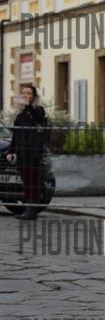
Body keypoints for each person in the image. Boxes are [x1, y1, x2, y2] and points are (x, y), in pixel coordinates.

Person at [6, 85, 48, 220]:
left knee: (33, 180)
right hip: (22, 153)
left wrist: (28, 105)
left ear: (34, 96)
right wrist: (11, 151)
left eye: (28, 93)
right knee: (26, 181)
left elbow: (39, 118)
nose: (25, 95)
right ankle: (28, 209)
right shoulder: (20, 115)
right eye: (23, 93)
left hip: (33, 152)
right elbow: (15, 135)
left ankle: (32, 210)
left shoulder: (37, 110)